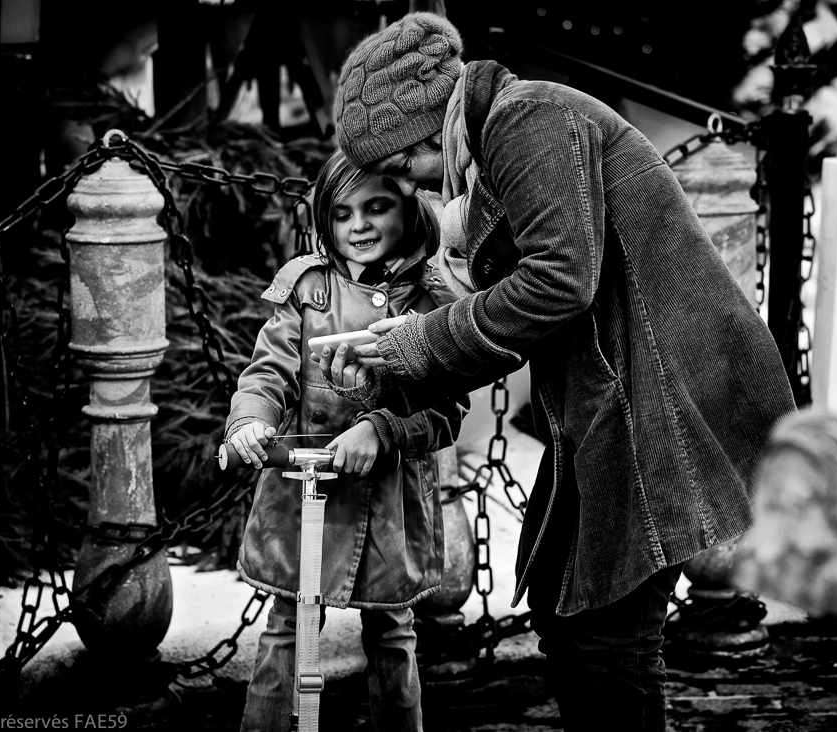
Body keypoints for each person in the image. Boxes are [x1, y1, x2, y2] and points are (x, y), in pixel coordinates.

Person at [318, 12, 798, 731]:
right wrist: (406, 356)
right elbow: (532, 308)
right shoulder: (502, 140)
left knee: (608, 634)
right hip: (616, 400)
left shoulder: (529, 119)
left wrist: (425, 338)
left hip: (659, 400)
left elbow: (558, 282)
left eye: (400, 170)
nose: (410, 188)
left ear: (424, 132)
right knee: (561, 602)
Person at [224, 149, 468, 732]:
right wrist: (250, 421)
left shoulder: (433, 300)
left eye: (376, 207)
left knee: (392, 630)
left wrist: (382, 430)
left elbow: (446, 410)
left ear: (409, 208)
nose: (358, 226)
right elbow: (267, 372)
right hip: (304, 497)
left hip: (389, 504)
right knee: (287, 626)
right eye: (341, 213)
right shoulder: (308, 289)